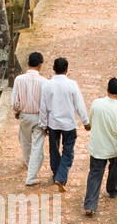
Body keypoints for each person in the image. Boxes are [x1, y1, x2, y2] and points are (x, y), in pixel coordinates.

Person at [38, 57, 89, 192]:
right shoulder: (72, 85)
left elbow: (43, 106)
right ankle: (61, 176)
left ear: (53, 69)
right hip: (69, 124)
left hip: (53, 123)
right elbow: (79, 105)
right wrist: (86, 121)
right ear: (67, 69)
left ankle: (56, 174)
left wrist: (43, 124)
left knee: (54, 149)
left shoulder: (47, 85)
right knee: (68, 151)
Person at [83, 77, 117, 216]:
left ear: (107, 89)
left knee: (94, 175)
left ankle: (90, 205)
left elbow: (91, 120)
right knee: (115, 169)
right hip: (114, 148)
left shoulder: (96, 103)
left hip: (97, 147)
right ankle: (112, 190)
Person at [11, 51, 47, 186]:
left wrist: (16, 112)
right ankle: (31, 175)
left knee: (25, 142)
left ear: (28, 63)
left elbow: (14, 101)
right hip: (39, 116)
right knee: (38, 146)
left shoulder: (19, 79)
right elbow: (46, 103)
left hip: (24, 115)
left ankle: (28, 164)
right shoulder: (44, 82)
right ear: (40, 65)